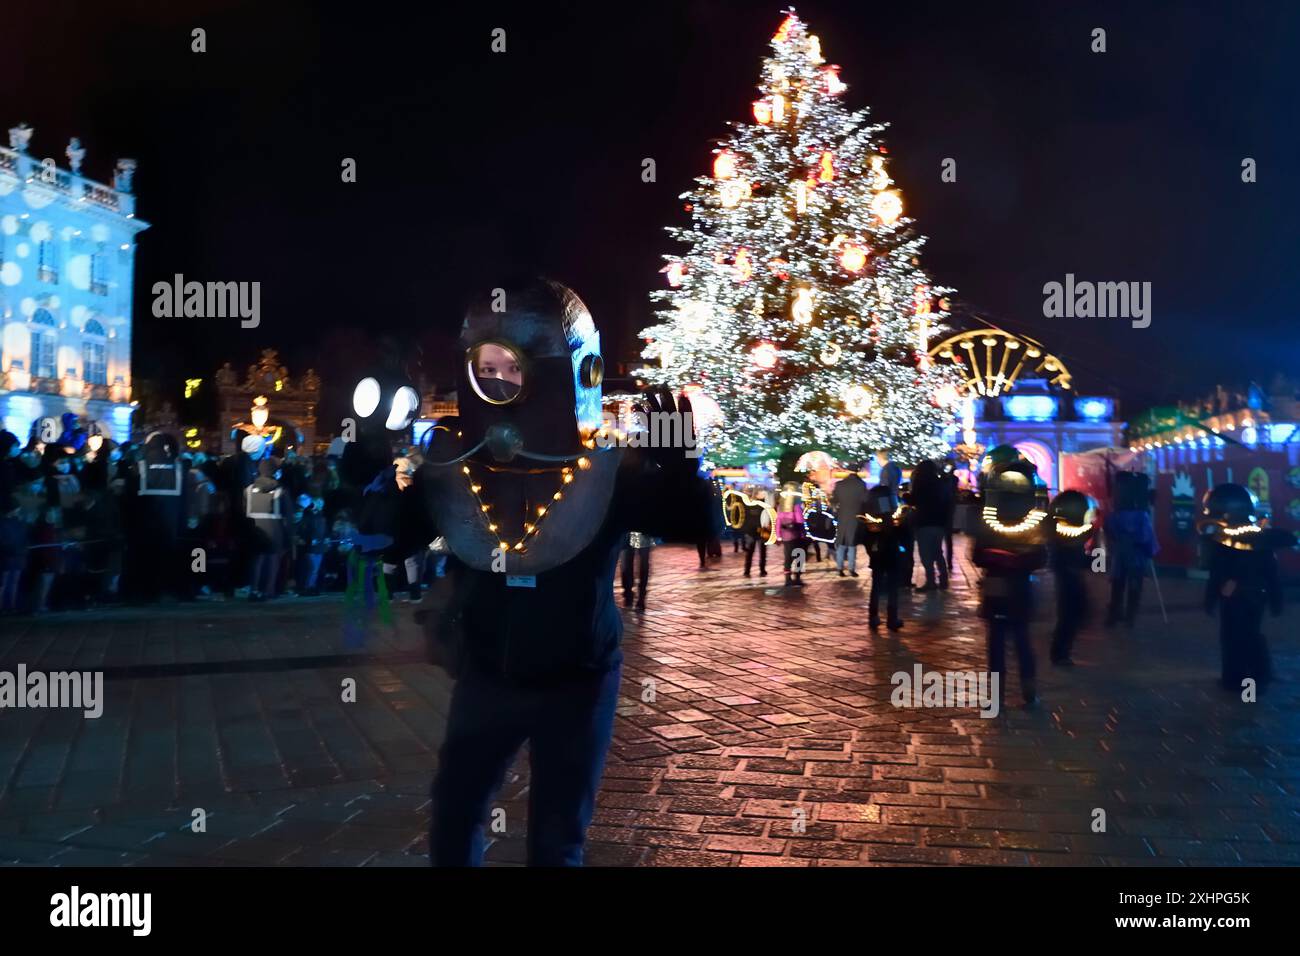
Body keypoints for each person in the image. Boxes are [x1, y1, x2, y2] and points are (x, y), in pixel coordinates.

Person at [417, 278, 709, 867]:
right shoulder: (457, 464)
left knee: (557, 837)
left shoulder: (606, 472)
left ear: (570, 371)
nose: (499, 382)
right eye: (487, 366)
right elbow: (384, 535)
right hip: (488, 676)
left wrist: (680, 466)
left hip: (577, 682)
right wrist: (368, 474)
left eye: (514, 367)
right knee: (454, 811)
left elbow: (697, 527)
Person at [971, 447, 1048, 708]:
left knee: (998, 641)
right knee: (1021, 640)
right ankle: (1028, 693)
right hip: (1020, 584)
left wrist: (999, 557)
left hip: (997, 583)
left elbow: (978, 555)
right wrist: (1017, 559)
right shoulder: (1035, 519)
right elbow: (1040, 556)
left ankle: (998, 696)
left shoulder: (988, 518)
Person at [1199, 483, 1293, 692]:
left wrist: (1211, 599)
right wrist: (1276, 601)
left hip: (1237, 597)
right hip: (1254, 596)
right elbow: (1271, 572)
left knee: (1236, 637)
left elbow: (1217, 573)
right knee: (1250, 635)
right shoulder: (1258, 537)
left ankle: (1242, 682)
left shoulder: (1223, 540)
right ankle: (1254, 676)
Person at [1047, 490, 1096, 666]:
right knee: (1068, 615)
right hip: (1067, 575)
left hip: (1069, 574)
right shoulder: (1063, 541)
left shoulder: (1061, 538)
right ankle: (1060, 653)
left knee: (1069, 615)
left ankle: (1061, 652)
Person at [1104, 471, 1157, 627]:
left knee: (1118, 586)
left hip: (1120, 555)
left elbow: (1109, 529)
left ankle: (1114, 614)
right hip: (1137, 556)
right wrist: (1149, 550)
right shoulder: (1142, 515)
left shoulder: (1117, 514)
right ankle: (1130, 617)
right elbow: (1147, 536)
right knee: (1134, 586)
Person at [862, 484, 905, 630]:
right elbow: (892, 526)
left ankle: (873, 617)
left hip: (877, 554)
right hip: (890, 551)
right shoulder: (888, 513)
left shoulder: (869, 516)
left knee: (877, 585)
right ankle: (892, 619)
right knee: (892, 586)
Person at [245, 458, 288, 600]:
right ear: (274, 471)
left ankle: (254, 589)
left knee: (256, 561)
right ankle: (268, 590)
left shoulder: (248, 490)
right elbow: (289, 514)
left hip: (254, 529)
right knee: (272, 560)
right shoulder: (280, 491)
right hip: (274, 530)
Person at [910, 459, 949, 592]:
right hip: (938, 522)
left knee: (926, 553)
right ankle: (944, 579)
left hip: (924, 522)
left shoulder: (920, 483)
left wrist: (906, 497)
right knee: (937, 552)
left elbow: (914, 500)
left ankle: (931, 581)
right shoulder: (939, 483)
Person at [831, 465, 868, 577]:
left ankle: (840, 568)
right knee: (852, 544)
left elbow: (834, 500)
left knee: (841, 543)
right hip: (855, 518)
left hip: (842, 517)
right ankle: (851, 569)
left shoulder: (839, 485)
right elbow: (865, 500)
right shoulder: (861, 485)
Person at [776, 481, 806, 587]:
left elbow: (778, 521)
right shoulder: (797, 506)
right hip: (796, 534)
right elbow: (800, 521)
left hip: (785, 536)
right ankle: (797, 578)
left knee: (787, 557)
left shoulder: (780, 506)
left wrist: (778, 535)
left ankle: (787, 579)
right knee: (799, 556)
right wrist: (803, 533)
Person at [621, 531, 653, 610]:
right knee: (625, 564)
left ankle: (641, 597)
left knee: (644, 563)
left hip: (642, 528)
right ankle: (628, 595)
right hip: (627, 530)